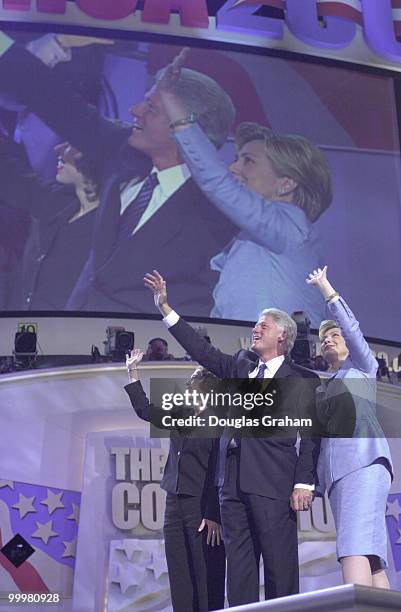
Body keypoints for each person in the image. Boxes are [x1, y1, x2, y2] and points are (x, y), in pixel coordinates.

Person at [0, 32, 236, 315]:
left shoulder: (218, 209)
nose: (134, 110)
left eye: (150, 106)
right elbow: (58, 104)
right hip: (70, 343)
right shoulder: (127, 157)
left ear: (184, 127)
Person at [143, 270, 321, 605]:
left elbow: (312, 436)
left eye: (263, 326)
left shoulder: (302, 378)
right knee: (239, 574)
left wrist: (304, 483)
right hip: (231, 485)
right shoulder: (241, 365)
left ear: (283, 336)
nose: (255, 329)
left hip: (272, 483)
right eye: (256, 324)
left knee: (280, 572)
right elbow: (201, 350)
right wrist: (166, 307)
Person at [156, 49, 332, 328]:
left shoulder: (292, 227)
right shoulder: (249, 241)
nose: (233, 168)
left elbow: (217, 182)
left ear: (286, 183)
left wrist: (171, 102)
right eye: (237, 158)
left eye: (247, 161)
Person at [306, 266, 393, 587]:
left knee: (354, 550)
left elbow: (352, 329)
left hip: (362, 465)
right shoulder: (324, 388)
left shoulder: (362, 368)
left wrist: (325, 287)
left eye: (334, 336)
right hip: (339, 475)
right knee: (371, 556)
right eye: (324, 338)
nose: (328, 340)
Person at [124, 352, 225, 611]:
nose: (188, 386)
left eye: (193, 382)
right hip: (174, 502)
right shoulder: (180, 415)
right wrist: (132, 372)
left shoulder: (218, 422)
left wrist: (213, 513)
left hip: (201, 506)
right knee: (179, 570)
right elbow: (144, 410)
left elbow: (219, 470)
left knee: (204, 573)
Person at [0, 137, 100, 309]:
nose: (58, 149)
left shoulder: (107, 227)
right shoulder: (57, 204)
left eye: (72, 145)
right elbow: (10, 176)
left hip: (62, 330)